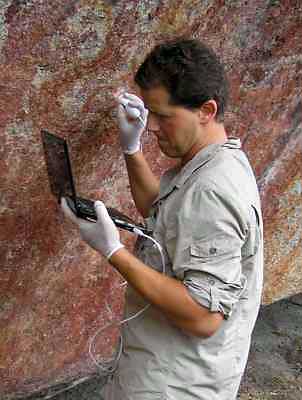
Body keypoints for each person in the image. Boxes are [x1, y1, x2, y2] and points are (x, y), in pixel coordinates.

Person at [61, 38, 263, 400]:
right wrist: (131, 148)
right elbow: (164, 213)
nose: (152, 125)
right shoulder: (213, 162)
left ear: (206, 110)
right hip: (155, 367)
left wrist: (113, 251)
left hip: (176, 385)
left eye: (163, 116)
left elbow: (204, 317)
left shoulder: (213, 191)